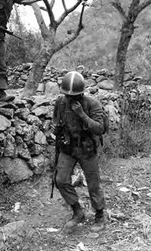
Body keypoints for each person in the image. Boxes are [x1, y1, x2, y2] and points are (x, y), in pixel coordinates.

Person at [51, 71, 106, 232]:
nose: (70, 99)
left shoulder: (92, 104)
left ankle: (100, 215)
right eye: (67, 95)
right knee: (60, 180)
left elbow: (100, 128)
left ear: (82, 93)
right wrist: (55, 129)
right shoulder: (60, 103)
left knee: (93, 183)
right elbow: (56, 122)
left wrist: (82, 114)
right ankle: (77, 211)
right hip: (68, 147)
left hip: (87, 148)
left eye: (74, 96)